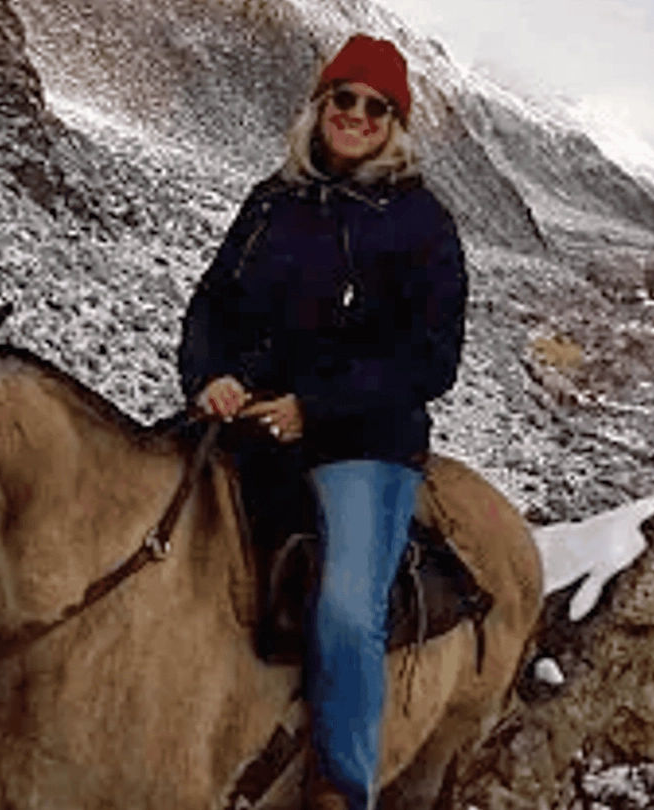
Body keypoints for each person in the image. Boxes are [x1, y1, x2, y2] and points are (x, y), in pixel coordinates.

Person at [176, 33, 468, 810]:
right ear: (321, 103)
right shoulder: (273, 200)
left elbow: (432, 359)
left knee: (345, 613)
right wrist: (211, 376)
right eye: (345, 98)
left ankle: (343, 784)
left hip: (364, 441)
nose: (357, 115)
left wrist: (317, 406)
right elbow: (213, 305)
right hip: (251, 419)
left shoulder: (423, 223)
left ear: (395, 124)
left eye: (378, 107)